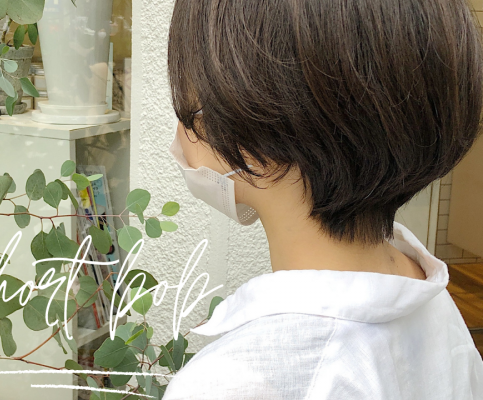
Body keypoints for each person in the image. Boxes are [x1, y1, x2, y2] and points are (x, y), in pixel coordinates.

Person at [162, 0, 483, 399]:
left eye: (189, 112)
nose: (180, 136)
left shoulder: (230, 384)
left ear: (252, 133)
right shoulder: (426, 293)